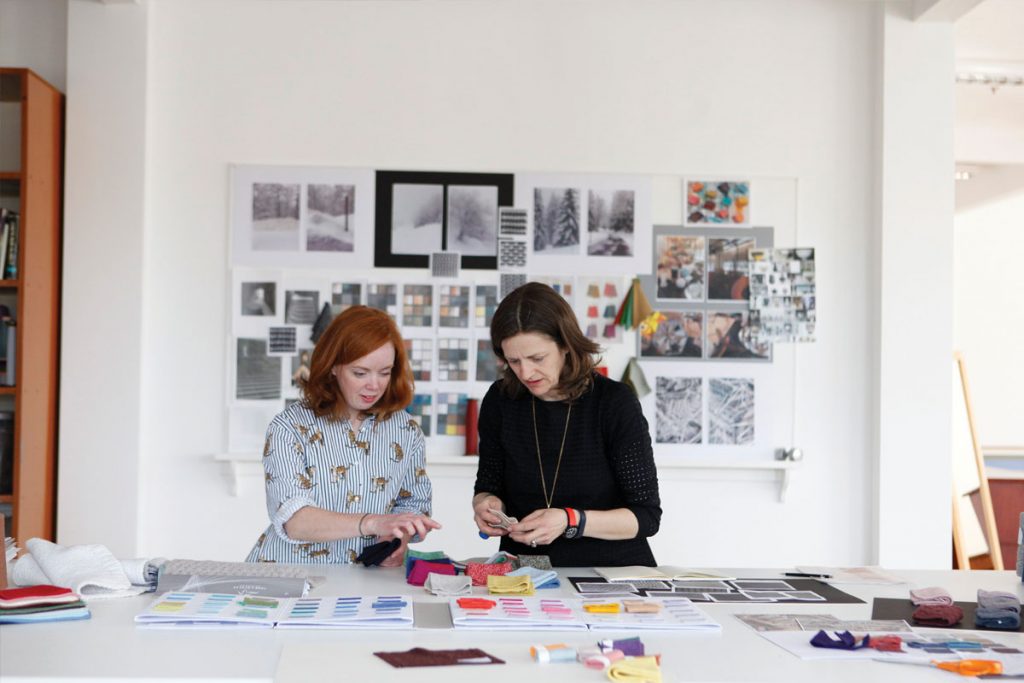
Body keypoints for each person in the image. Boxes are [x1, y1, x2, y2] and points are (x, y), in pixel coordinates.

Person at [472, 282, 661, 566]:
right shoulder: (500, 401)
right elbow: (488, 484)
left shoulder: (613, 402)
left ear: (565, 345)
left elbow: (646, 517)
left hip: (610, 573)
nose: (525, 372)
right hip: (526, 574)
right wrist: (486, 505)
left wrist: (570, 520)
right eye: (513, 360)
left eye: (537, 358)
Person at [247, 306, 440, 565]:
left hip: (366, 579)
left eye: (385, 372)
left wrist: (398, 538)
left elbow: (412, 503)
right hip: (289, 576)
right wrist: (373, 523)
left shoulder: (406, 431)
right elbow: (294, 520)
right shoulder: (289, 427)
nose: (374, 385)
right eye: (360, 373)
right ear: (334, 366)